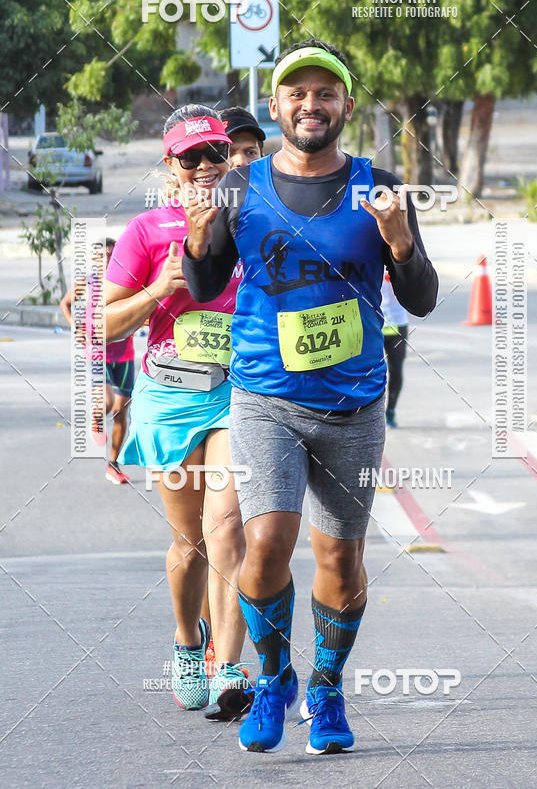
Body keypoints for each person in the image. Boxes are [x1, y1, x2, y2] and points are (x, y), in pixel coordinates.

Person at [182, 40, 438, 755]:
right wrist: (197, 245)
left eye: (327, 93)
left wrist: (400, 245)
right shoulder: (240, 188)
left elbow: (420, 301)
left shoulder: (379, 188)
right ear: (276, 106)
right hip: (265, 397)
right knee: (263, 544)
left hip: (353, 403)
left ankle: (324, 690)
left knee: (340, 558)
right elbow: (205, 288)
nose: (311, 104)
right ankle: (272, 680)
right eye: (298, 92)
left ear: (346, 107)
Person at [103, 105, 250, 721]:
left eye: (216, 153)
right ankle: (188, 645)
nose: (206, 167)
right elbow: (101, 324)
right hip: (168, 398)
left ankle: (228, 667)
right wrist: (160, 289)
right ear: (171, 163)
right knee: (188, 542)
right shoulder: (145, 230)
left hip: (239, 395)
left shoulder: (254, 221)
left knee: (228, 531)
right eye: (192, 157)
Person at [60, 238, 135, 484]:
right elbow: (66, 304)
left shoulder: (127, 281)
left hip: (124, 354)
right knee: (106, 401)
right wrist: (76, 328)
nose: (106, 260)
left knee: (121, 412)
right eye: (101, 256)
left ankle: (113, 464)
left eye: (111, 255)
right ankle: (95, 419)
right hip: (97, 352)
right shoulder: (89, 281)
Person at [381, 272, 409, 428]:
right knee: (369, 370)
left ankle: (390, 411)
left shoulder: (400, 255)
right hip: (374, 321)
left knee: (395, 369)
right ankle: (369, 412)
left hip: (397, 322)